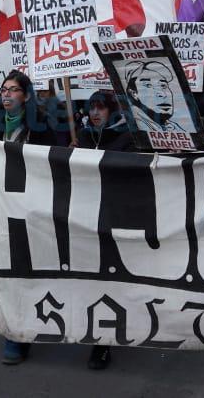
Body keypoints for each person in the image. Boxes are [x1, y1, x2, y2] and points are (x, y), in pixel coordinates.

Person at [0, 70, 59, 365]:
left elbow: (55, 162)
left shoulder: (41, 127)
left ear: (26, 96)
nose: (6, 94)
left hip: (33, 208)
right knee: (9, 270)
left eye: (14, 90)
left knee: (31, 269)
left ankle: (26, 328)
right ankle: (16, 331)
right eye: (3, 89)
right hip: (3, 207)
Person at [74, 90, 133, 371]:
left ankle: (103, 343)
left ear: (112, 110)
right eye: (92, 108)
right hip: (83, 220)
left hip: (114, 219)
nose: (95, 113)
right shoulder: (83, 136)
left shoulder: (128, 138)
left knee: (109, 283)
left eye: (101, 108)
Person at [122, 60, 188, 132]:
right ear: (134, 94)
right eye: (148, 85)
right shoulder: (131, 126)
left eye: (163, 85)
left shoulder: (172, 126)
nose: (163, 94)